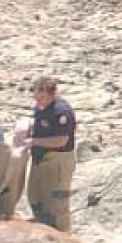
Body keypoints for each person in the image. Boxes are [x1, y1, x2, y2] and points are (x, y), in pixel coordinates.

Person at [22, 76, 77, 233]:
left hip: (57, 160)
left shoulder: (61, 112)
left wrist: (35, 142)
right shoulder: (40, 107)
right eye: (36, 97)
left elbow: (61, 140)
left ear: (52, 95)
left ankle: (64, 235)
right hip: (40, 158)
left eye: (42, 98)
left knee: (56, 203)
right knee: (35, 196)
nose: (38, 101)